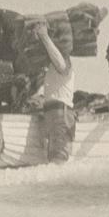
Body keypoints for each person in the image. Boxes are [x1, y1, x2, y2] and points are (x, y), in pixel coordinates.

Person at [34, 23, 75, 163]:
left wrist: (44, 37)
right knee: (53, 158)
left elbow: (61, 66)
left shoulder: (65, 61)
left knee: (58, 159)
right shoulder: (52, 66)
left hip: (60, 114)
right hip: (54, 113)